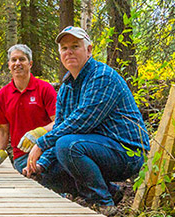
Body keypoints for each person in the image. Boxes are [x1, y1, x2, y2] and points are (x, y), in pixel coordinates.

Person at [20, 26, 150, 214]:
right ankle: (112, 192)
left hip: (128, 152)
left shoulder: (102, 76)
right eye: (64, 48)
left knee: (68, 145)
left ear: (89, 50)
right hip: (96, 149)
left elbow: (80, 122)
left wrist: (40, 144)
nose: (69, 52)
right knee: (45, 172)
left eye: (75, 46)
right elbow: (60, 126)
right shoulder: (66, 87)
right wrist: (41, 164)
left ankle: (103, 203)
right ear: (60, 54)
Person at [0, 44, 57, 175]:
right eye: (13, 60)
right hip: (20, 157)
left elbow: (59, 122)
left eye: (22, 59)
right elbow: (3, 129)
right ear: (9, 65)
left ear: (30, 63)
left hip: (46, 152)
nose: (17, 63)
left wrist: (41, 131)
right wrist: (0, 151)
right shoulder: (3, 95)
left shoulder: (45, 89)